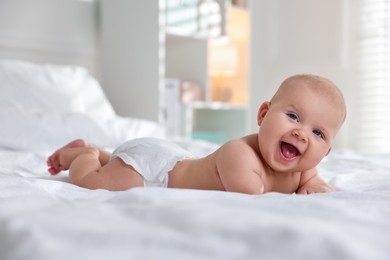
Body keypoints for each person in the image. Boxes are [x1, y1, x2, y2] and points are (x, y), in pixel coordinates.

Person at [47, 74, 346, 195]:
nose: (301, 133)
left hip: (176, 158)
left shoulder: (303, 166)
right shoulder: (238, 155)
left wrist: (316, 185)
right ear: (263, 114)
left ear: (326, 152)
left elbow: (312, 179)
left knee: (115, 162)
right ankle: (84, 156)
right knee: (95, 183)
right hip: (156, 170)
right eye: (293, 116)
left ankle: (102, 153)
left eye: (318, 133)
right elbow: (257, 198)